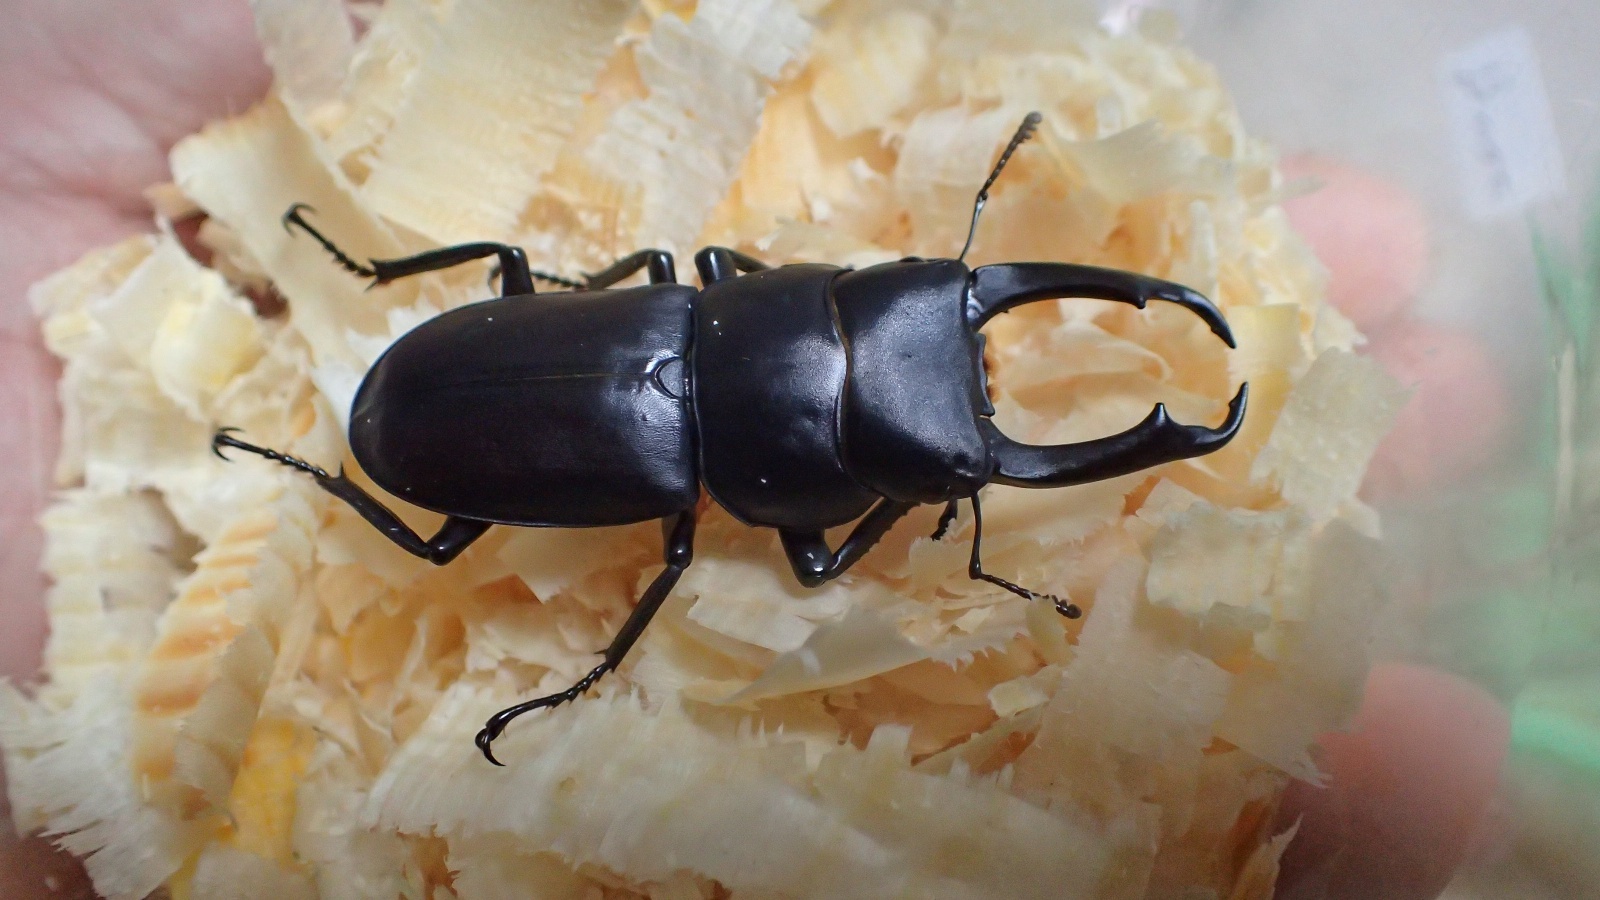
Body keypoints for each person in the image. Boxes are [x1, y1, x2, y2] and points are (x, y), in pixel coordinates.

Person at [0, 3, 1508, 897]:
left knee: (542, 304)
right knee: (474, 485)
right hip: (429, 417)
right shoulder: (708, 482)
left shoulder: (698, 294)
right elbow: (810, 532)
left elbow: (765, 342)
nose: (935, 340)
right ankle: (320, 476)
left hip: (506, 375)